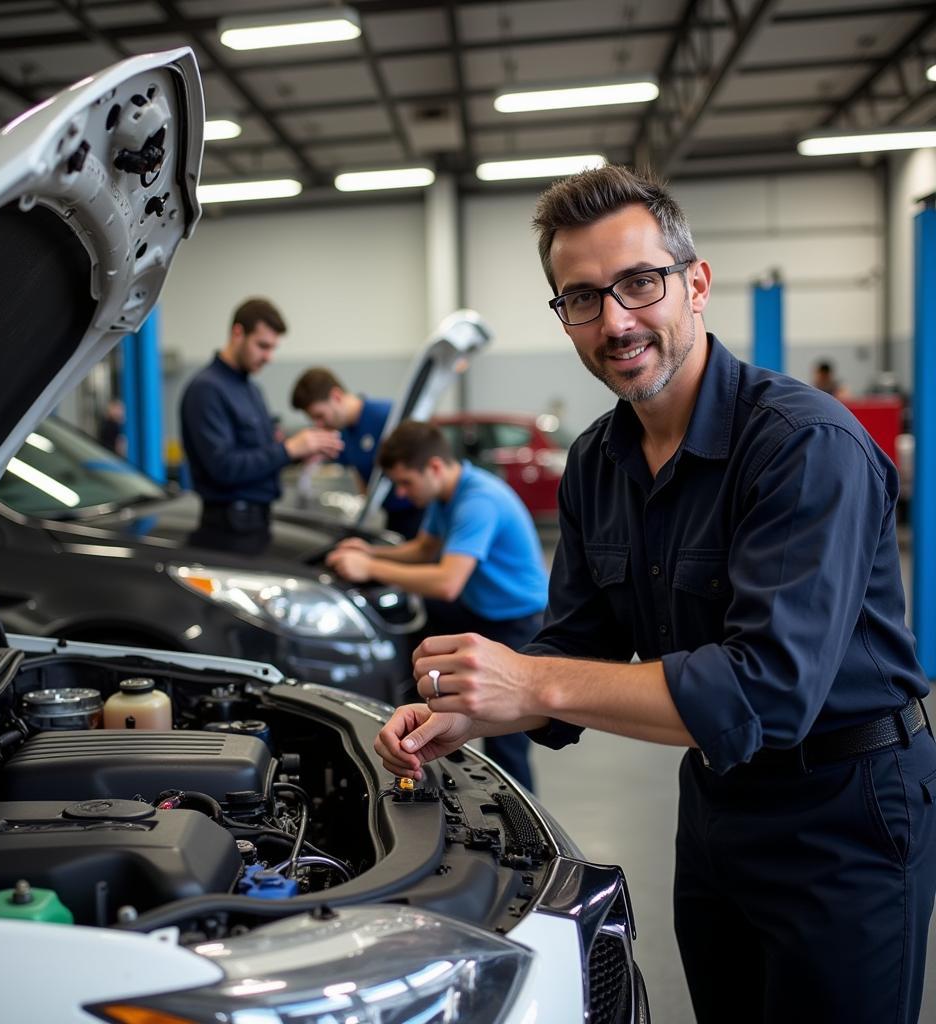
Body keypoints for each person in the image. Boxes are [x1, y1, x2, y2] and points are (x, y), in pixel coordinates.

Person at [374, 165, 936, 1023]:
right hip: (715, 805)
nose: (616, 320)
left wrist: (530, 683)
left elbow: (766, 690)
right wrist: (474, 716)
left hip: (848, 807)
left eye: (639, 283)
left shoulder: (802, 445)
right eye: (582, 298)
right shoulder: (597, 463)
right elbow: (573, 647)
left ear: (696, 283)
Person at [327, 419, 547, 790]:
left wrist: (369, 567)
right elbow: (425, 549)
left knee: (505, 740)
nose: (400, 492)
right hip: (480, 611)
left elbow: (447, 582)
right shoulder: (445, 494)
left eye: (405, 483)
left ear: (433, 467)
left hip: (517, 624)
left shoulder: (478, 500)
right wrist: (372, 551)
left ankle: (527, 834)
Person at [180, 297, 343, 554]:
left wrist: (301, 454)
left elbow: (262, 455)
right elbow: (223, 467)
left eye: (273, 348)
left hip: (256, 522)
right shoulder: (207, 389)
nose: (269, 357)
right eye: (262, 346)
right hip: (227, 529)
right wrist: (288, 449)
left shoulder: (251, 389)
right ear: (237, 333)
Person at [290, 367, 424, 538]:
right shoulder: (344, 432)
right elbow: (358, 472)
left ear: (336, 396)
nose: (319, 425)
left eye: (320, 416)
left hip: (419, 515)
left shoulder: (388, 417)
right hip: (391, 517)